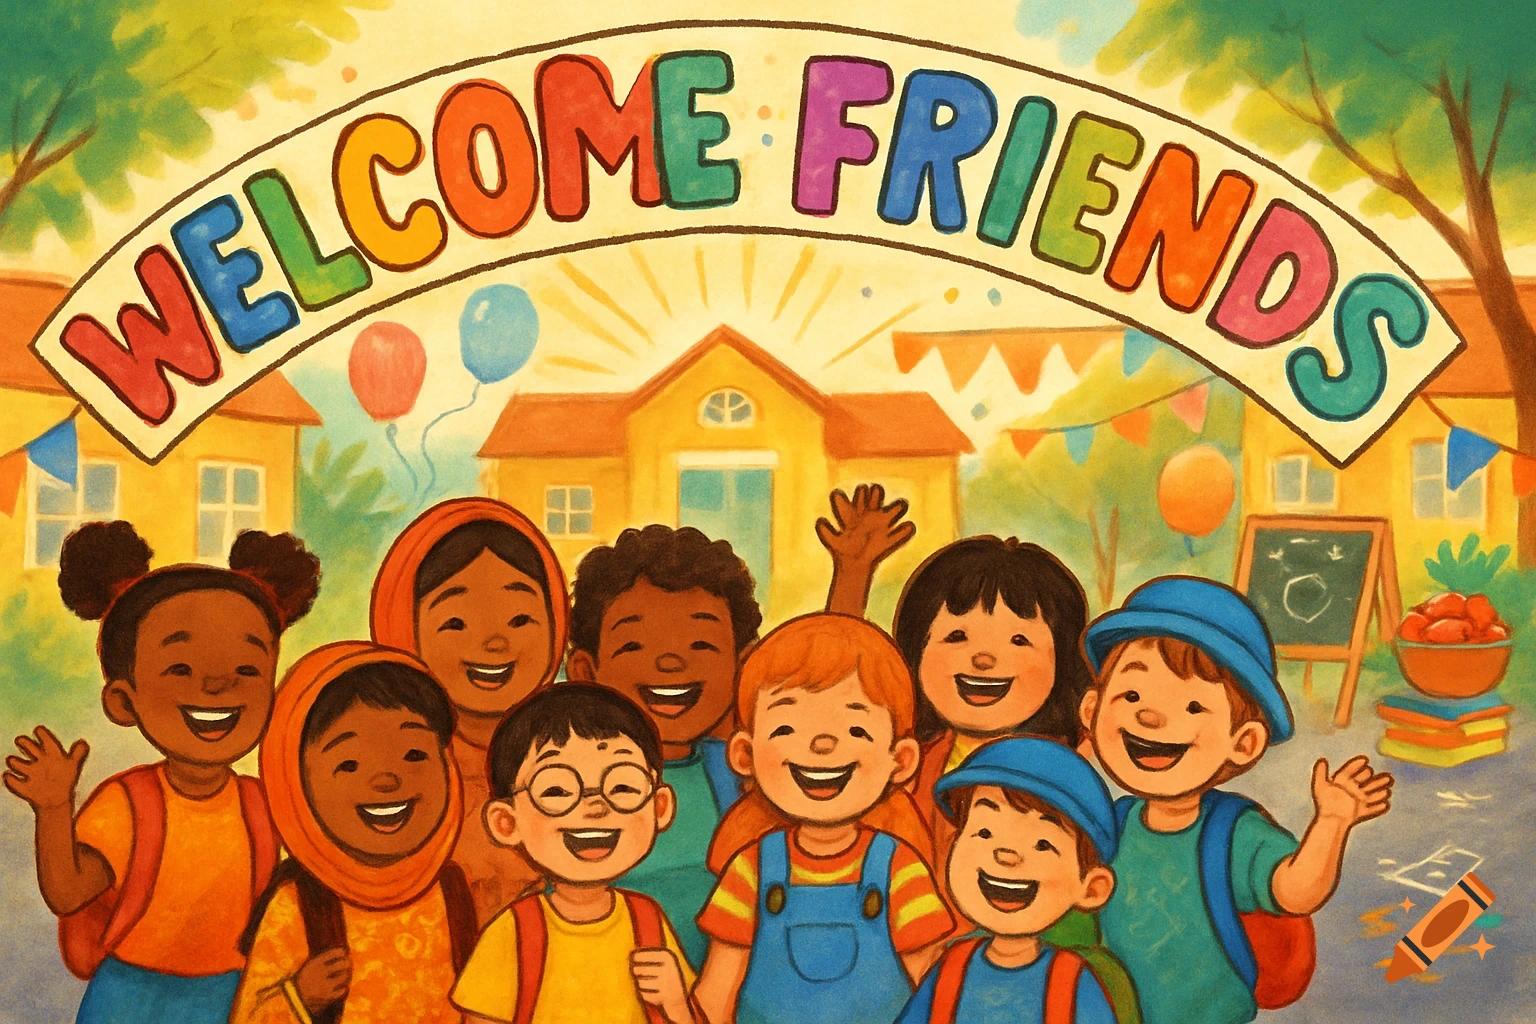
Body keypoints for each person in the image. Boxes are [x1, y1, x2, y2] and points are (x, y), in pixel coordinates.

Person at [2, 521, 319, 1024]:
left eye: (247, 670)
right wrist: (53, 805)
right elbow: (67, 893)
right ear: (123, 700)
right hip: (131, 995)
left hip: (239, 993)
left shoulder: (267, 801)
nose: (218, 684)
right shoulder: (128, 803)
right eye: (180, 669)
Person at [1080, 577, 1394, 1024]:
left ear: (1244, 743)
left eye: (1191, 707)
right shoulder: (1110, 824)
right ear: (1092, 712)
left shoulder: (1234, 832)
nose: (1149, 716)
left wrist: (1333, 821)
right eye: (1131, 695)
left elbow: (1295, 892)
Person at [693, 614, 954, 1024]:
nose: (822, 743)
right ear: (745, 755)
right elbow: (716, 994)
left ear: (900, 761)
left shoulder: (900, 869)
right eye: (787, 726)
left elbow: (933, 990)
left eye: (855, 728)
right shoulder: (750, 869)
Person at [231, 643, 477, 1024]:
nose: (387, 779)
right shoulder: (299, 903)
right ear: (296, 783)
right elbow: (249, 1017)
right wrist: (300, 996)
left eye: (413, 755)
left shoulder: (452, 889)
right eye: (349, 764)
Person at [565, 524, 763, 967]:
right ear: (585, 671)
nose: (670, 662)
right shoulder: (565, 781)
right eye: (635, 644)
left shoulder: (740, 773)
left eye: (701, 643)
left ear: (742, 665)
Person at [370, 497, 570, 922]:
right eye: (456, 623)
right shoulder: (397, 768)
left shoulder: (579, 752)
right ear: (405, 627)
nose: (495, 644)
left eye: (519, 620)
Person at [450, 685, 698, 1024]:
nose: (594, 807)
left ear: (659, 806)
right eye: (557, 790)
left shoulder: (647, 921)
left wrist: (677, 1003)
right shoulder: (515, 932)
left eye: (622, 786)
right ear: (507, 822)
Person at [899, 737, 1122, 1024]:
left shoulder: (1073, 981)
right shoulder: (949, 968)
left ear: (1092, 888)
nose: (1005, 855)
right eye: (984, 832)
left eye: (1042, 844)